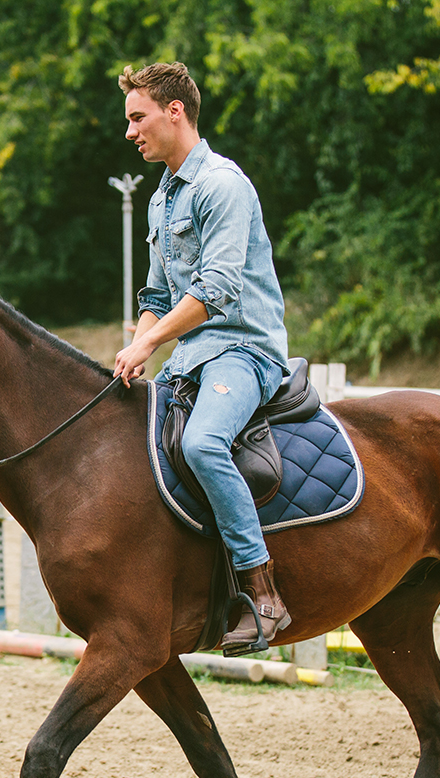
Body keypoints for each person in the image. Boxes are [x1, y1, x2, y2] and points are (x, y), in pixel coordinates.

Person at [111, 61, 292, 650]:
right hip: (190, 358)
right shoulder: (162, 200)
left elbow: (217, 289)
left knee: (202, 443)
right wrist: (140, 345)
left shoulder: (223, 185)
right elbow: (157, 296)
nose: (130, 131)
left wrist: (149, 341)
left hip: (245, 351)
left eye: (137, 118)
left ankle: (262, 594)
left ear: (174, 112)